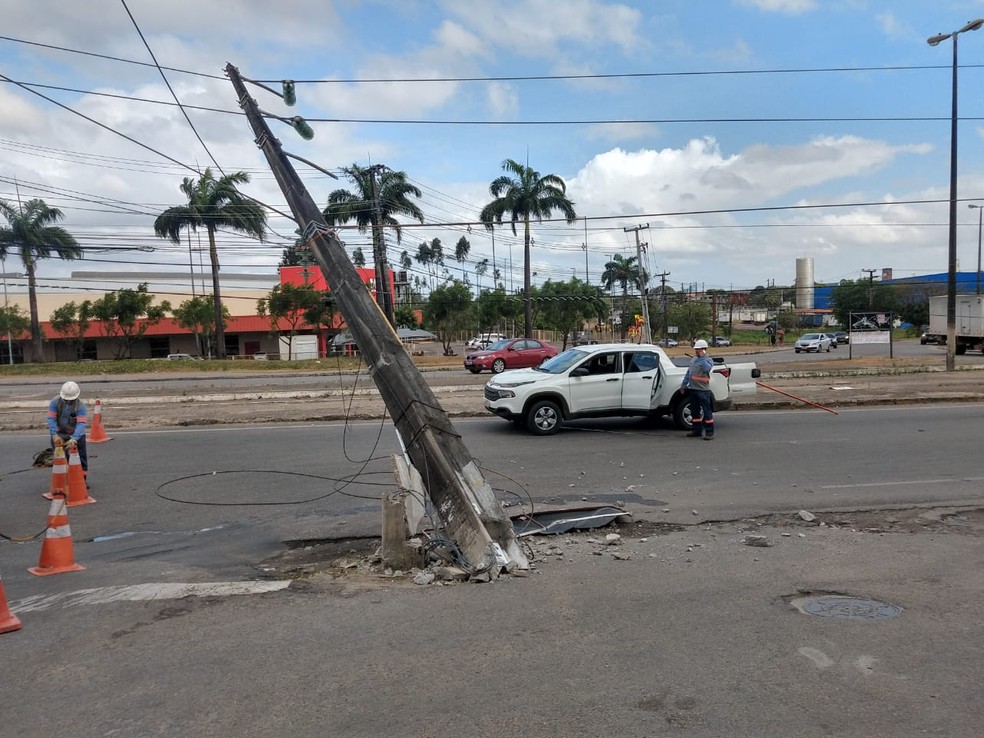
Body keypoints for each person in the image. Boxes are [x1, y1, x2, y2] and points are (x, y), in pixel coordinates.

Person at [47, 381, 88, 476]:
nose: (69, 402)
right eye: (67, 400)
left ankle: (82, 479)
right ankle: (64, 480)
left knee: (80, 457)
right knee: (61, 458)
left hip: (76, 434)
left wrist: (74, 438)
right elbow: (51, 418)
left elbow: (81, 423)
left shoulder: (81, 405)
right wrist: (55, 435)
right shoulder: (55, 402)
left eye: (71, 400)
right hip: (59, 433)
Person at [681, 339, 715, 440]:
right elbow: (689, 373)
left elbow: (706, 369)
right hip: (693, 389)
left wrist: (703, 357)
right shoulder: (693, 360)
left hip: (703, 390)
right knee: (695, 411)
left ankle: (709, 432)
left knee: (707, 411)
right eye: (696, 349)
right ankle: (697, 430)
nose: (696, 351)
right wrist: (683, 385)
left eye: (699, 350)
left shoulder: (708, 360)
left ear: (704, 350)